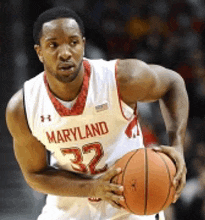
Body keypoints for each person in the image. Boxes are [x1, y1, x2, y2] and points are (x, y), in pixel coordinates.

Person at [5, 7, 188, 220]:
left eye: (73, 42)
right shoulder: (24, 107)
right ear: (39, 52)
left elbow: (173, 83)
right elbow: (35, 174)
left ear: (83, 44)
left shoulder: (121, 79)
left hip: (131, 198)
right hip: (71, 204)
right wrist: (92, 187)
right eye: (53, 45)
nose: (65, 53)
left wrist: (177, 145)